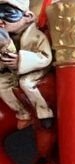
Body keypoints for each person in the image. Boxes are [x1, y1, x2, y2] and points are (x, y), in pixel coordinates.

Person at [0, 0, 51, 129]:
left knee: (26, 83)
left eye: (8, 14)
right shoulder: (6, 36)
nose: (1, 21)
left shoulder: (37, 37)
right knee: (2, 85)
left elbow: (45, 57)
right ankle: (23, 113)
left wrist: (22, 60)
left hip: (36, 68)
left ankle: (44, 113)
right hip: (11, 71)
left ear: (28, 17)